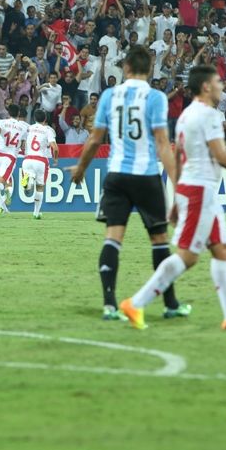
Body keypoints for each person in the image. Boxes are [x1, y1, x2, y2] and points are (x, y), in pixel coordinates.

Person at [117, 64, 226, 331]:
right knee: (189, 256)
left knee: (222, 250)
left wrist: (177, 198)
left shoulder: (187, 115)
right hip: (200, 189)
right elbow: (221, 156)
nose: (222, 88)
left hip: (196, 189)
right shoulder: (210, 115)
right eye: (218, 83)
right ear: (205, 87)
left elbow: (179, 156)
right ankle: (136, 303)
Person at [69, 46, 190, 322]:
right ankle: (170, 304)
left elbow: (95, 139)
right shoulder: (156, 97)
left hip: (116, 176)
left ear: (125, 68)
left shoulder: (111, 95)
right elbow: (162, 143)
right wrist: (177, 183)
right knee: (159, 241)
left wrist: (81, 168)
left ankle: (110, 305)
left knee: (113, 237)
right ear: (149, 69)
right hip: (146, 177)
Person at [0, 105, 29, 214]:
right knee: (3, 183)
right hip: (9, 157)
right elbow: (23, 145)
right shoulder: (24, 127)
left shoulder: (1, 122)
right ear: (19, 114)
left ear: (8, 113)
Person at [19, 109, 58, 220]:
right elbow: (55, 148)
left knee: (28, 190)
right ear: (45, 118)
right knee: (40, 187)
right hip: (40, 160)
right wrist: (55, 160)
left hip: (27, 159)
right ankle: (36, 213)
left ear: (34, 118)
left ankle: (29, 180)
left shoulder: (28, 128)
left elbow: (22, 144)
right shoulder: (48, 130)